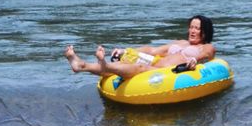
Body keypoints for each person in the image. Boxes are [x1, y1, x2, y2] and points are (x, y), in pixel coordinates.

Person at [65, 15, 215, 80]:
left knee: (140, 68)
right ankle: (81, 65)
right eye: (191, 27)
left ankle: (98, 65)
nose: (192, 31)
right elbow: (152, 50)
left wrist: (194, 60)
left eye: (196, 28)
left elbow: (206, 56)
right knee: (125, 62)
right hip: (155, 64)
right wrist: (127, 51)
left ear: (205, 32)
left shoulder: (206, 47)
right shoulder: (182, 43)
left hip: (168, 73)